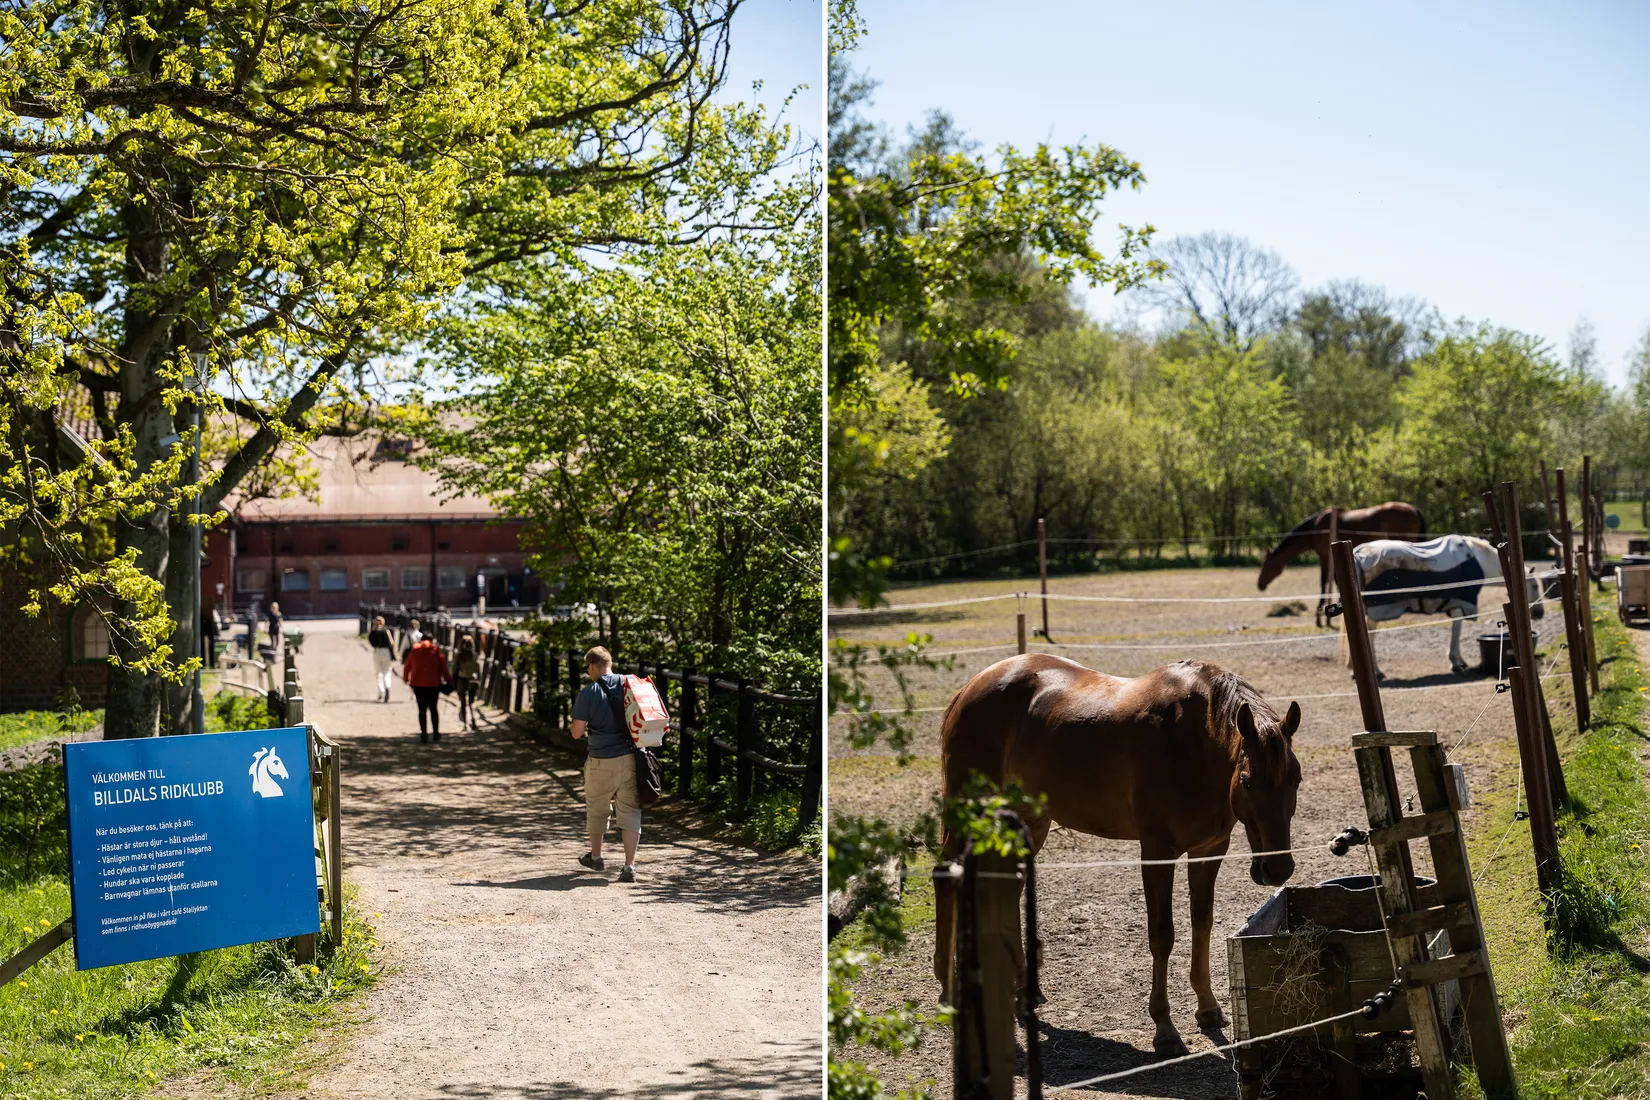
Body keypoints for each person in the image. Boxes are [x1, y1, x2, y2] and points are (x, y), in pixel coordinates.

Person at [571, 645, 639, 882]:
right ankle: (629, 866)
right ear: (610, 663)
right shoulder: (632, 684)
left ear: (591, 665)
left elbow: (577, 733)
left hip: (601, 759)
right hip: (631, 759)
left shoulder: (588, 693)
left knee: (598, 808)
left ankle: (597, 858)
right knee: (630, 810)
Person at [401, 634, 452, 743]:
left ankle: (424, 734)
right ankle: (436, 733)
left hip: (418, 684)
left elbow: (408, 665)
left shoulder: (415, 650)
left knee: (422, 709)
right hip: (434, 684)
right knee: (433, 708)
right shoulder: (435, 650)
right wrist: (448, 679)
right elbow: (443, 665)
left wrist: (406, 678)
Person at [452, 634, 481, 729]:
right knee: (472, 702)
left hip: (462, 679)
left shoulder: (459, 656)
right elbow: (478, 668)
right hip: (473, 679)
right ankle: (473, 720)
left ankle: (465, 723)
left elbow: (453, 668)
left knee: (463, 703)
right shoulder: (475, 655)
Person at [367, 616, 396, 703]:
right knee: (387, 671)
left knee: (378, 672)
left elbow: (371, 641)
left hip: (377, 651)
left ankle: (381, 691)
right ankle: (387, 685)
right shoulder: (386, 631)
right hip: (386, 652)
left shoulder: (373, 632)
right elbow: (392, 643)